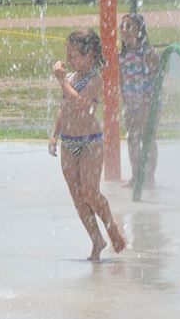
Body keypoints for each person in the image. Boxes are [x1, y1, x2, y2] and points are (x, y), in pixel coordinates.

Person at [48, 29, 127, 261]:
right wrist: (54, 135)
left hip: (90, 142)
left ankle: (112, 228)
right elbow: (64, 107)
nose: (68, 59)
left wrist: (61, 81)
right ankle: (96, 240)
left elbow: (80, 103)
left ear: (90, 55)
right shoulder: (71, 78)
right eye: (67, 54)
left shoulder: (94, 79)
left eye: (73, 55)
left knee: (90, 192)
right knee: (77, 197)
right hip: (69, 143)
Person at [119, 13, 160, 189]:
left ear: (139, 31)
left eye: (129, 27)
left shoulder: (148, 54)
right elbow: (122, 83)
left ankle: (149, 177)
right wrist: (126, 104)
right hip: (131, 105)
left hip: (149, 104)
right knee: (132, 139)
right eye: (122, 27)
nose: (124, 30)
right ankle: (136, 176)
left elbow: (157, 81)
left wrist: (148, 105)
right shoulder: (121, 56)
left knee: (147, 138)